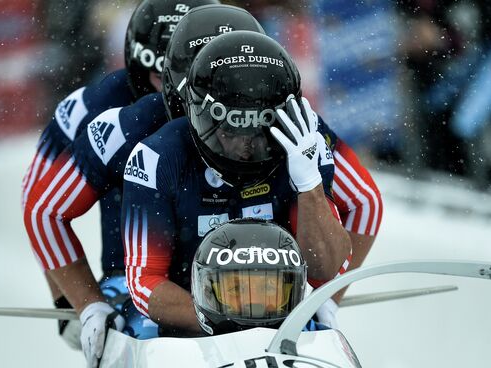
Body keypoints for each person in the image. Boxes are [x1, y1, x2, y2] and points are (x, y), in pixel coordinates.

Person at [23, 3, 267, 367]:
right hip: (137, 282)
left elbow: (362, 202)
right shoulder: (107, 114)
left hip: (250, 280)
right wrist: (78, 301)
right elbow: (42, 206)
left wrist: (325, 296)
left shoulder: (283, 118)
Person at [120, 30, 352, 336]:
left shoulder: (306, 146)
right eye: (229, 131)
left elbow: (326, 267)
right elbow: (144, 279)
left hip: (277, 316)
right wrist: (221, 324)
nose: (244, 147)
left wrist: (309, 185)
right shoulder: (156, 158)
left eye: (257, 134)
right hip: (187, 319)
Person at [191, 218, 307, 335]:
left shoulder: (321, 344)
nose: (254, 302)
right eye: (236, 289)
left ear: (292, 292)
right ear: (208, 293)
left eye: (268, 288)